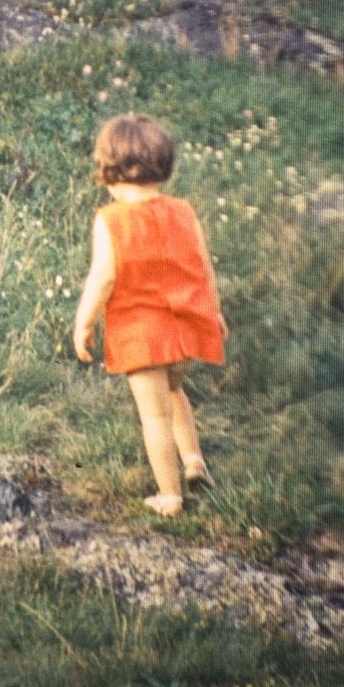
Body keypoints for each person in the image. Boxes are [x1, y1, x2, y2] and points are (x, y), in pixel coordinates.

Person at [72, 113, 228, 517]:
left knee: (154, 414)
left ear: (108, 169)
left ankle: (169, 496)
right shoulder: (183, 211)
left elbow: (104, 276)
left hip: (143, 335)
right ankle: (193, 460)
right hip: (185, 328)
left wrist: (84, 321)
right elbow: (204, 264)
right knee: (176, 392)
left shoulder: (112, 220)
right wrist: (215, 311)